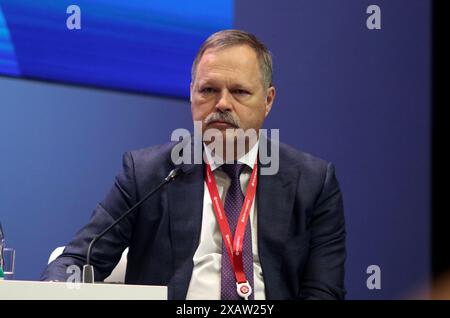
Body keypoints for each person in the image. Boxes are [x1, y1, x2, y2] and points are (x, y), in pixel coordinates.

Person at [41, 29, 346, 300]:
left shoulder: (313, 182)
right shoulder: (147, 173)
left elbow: (324, 290)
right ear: (191, 94)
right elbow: (78, 260)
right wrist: (56, 287)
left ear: (268, 100)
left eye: (239, 91)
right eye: (208, 90)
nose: (222, 104)